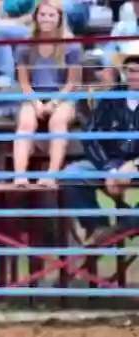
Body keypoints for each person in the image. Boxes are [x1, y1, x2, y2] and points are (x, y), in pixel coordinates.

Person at [59, 47, 139, 246]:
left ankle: (128, 222)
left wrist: (134, 166)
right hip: (111, 162)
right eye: (130, 69)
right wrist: (110, 169)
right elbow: (91, 136)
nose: (134, 74)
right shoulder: (111, 97)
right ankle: (97, 225)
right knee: (71, 174)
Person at [11, 0, 81, 188]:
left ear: (59, 18)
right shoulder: (25, 46)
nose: (46, 19)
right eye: (42, 15)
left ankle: (52, 174)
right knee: (26, 122)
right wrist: (36, 103)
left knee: (57, 121)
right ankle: (20, 176)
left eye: (51, 15)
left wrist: (54, 103)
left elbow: (72, 82)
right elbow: (24, 83)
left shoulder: (71, 45)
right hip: (33, 95)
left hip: (63, 96)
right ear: (35, 17)